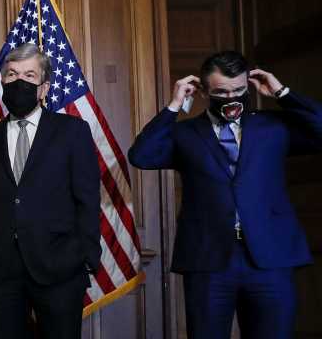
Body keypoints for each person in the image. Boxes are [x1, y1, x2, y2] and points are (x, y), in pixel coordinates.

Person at [129, 51, 322, 338]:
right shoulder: (185, 134)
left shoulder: (274, 127)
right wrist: (174, 105)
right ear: (204, 92)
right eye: (221, 91)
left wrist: (282, 93)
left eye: (238, 90)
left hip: (270, 259)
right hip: (208, 262)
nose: (231, 98)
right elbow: (142, 155)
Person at [0, 43, 101, 339]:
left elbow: (88, 200)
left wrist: (84, 254)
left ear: (43, 88)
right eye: (12, 74)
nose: (19, 82)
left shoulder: (73, 132)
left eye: (29, 75)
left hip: (60, 269)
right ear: (2, 82)